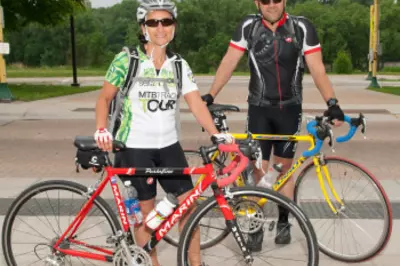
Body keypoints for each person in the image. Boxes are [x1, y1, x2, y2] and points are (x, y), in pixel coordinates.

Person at [94, 0, 233, 265]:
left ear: (174, 27)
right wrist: (101, 130)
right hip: (134, 148)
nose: (160, 28)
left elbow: (195, 103)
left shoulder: (179, 65)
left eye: (166, 22)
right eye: (153, 22)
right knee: (147, 220)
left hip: (170, 147)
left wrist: (217, 134)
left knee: (188, 210)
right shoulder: (127, 60)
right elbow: (103, 99)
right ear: (143, 28)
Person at [201, 0, 344, 251]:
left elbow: (317, 68)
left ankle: (283, 221)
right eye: (265, 0)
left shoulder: (301, 27)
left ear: (284, 1)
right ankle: (255, 223)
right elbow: (229, 62)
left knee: (285, 169)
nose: (271, 5)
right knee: (259, 170)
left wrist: (332, 102)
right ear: (257, 2)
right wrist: (210, 95)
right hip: (259, 108)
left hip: (290, 108)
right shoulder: (249, 26)